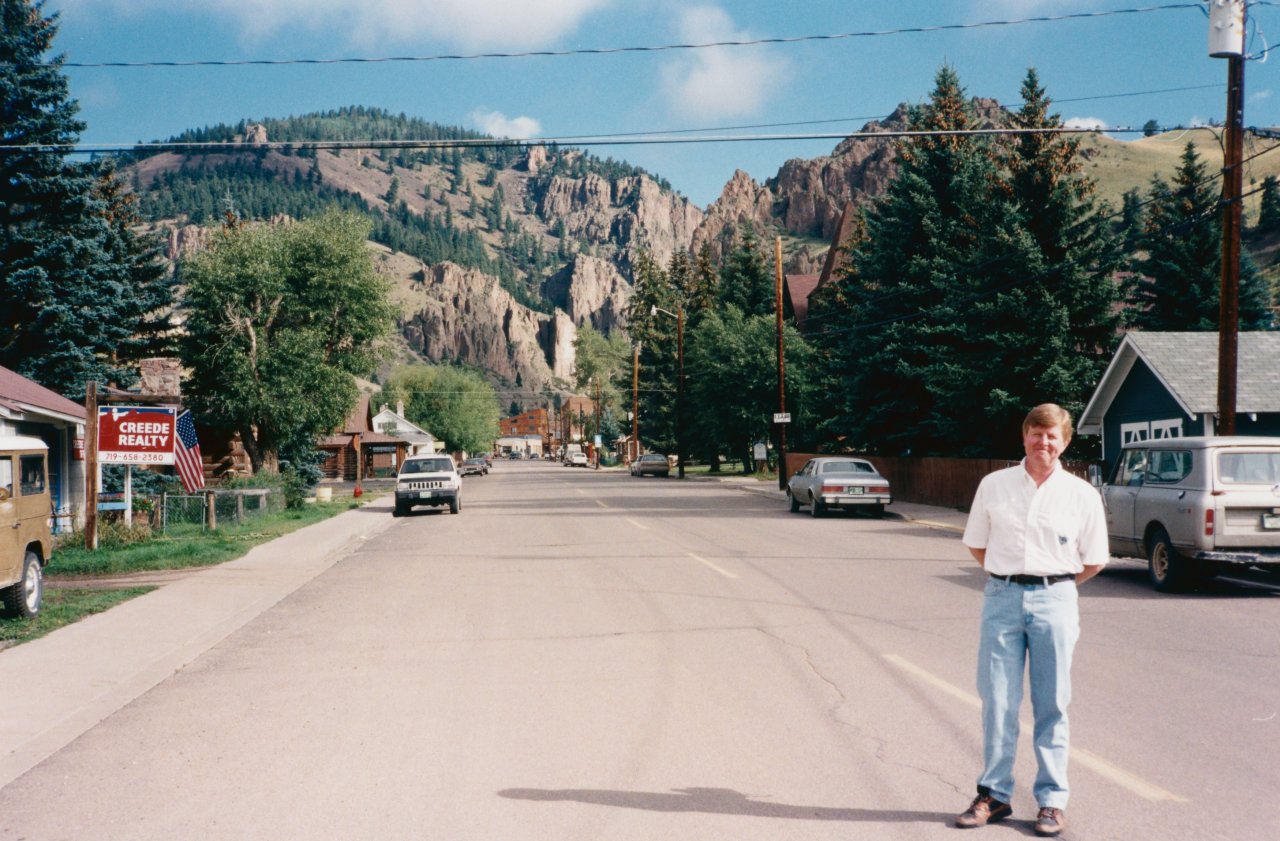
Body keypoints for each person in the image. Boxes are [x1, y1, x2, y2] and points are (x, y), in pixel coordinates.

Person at [955, 404, 1108, 838]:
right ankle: (995, 794)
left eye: (1052, 436)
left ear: (1065, 442)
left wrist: (1052, 585)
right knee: (997, 700)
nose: (1044, 443)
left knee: (1052, 702)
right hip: (1001, 597)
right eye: (1036, 434)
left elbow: (1094, 560)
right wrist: (1011, 579)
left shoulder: (1082, 495)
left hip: (1057, 597)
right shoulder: (994, 485)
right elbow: (978, 546)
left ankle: (1051, 801)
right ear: (1024, 437)